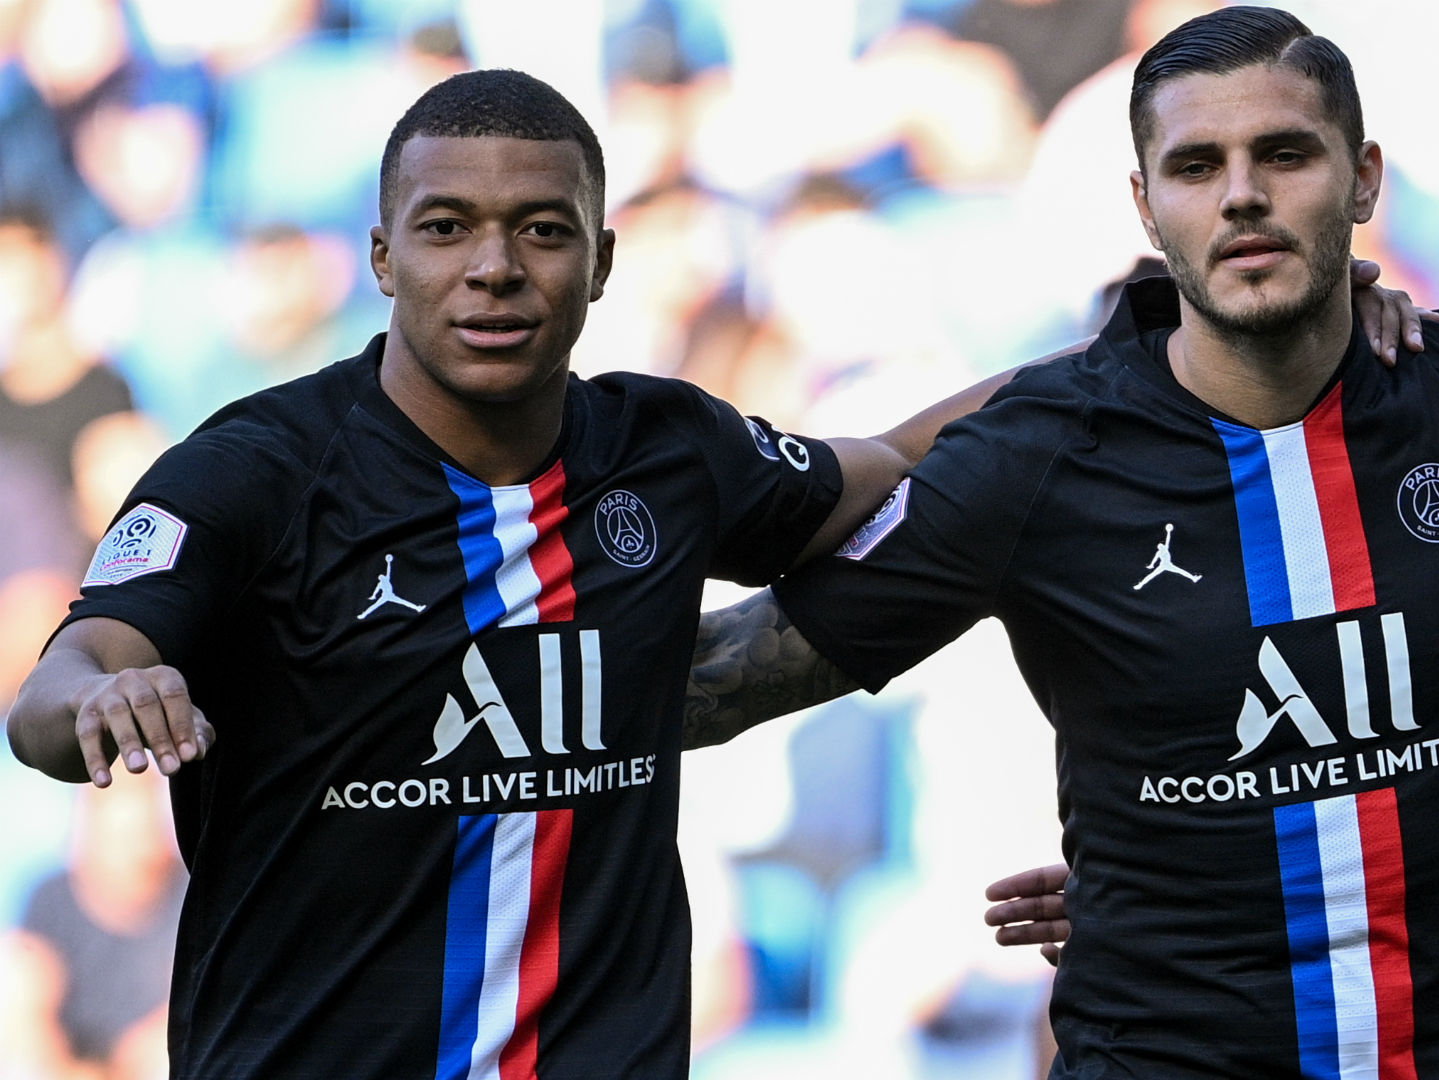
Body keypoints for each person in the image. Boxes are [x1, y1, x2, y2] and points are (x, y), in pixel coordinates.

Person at [0, 68, 1049, 1078]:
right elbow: (54, 691)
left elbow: (896, 460)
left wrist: (1107, 369)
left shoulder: (667, 451)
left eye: (542, 230)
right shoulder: (251, 473)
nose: (494, 267)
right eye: (445, 227)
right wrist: (100, 698)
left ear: (601, 261)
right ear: (383, 256)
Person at [684, 8, 1439, 1076]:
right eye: (1196, 166)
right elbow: (716, 682)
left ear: (1364, 180)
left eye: (1285, 155)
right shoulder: (1040, 455)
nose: (1241, 194)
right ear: (1145, 207)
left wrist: (1242, 871)